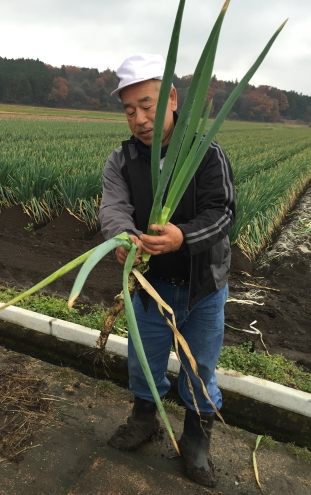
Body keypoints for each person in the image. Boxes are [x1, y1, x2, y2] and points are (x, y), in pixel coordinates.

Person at [98, 53, 235, 488]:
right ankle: (144, 419)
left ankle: (195, 439)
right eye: (129, 109)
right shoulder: (121, 160)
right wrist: (124, 239)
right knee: (143, 361)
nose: (140, 118)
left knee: (199, 370)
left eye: (148, 104)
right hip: (148, 286)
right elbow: (113, 208)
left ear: (172, 98)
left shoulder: (206, 153)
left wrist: (182, 237)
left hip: (202, 289)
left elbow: (223, 212)